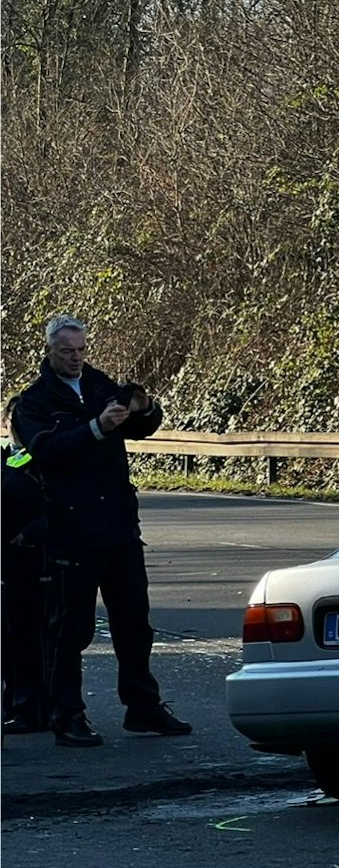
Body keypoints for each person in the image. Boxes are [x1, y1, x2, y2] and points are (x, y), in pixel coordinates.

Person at [10, 314, 192, 746]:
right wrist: (96, 428)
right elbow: (46, 451)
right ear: (50, 351)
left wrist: (145, 408)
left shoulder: (98, 384)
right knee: (69, 629)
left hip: (118, 525)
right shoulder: (34, 402)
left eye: (80, 350)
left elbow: (140, 428)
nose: (75, 358)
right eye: (66, 352)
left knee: (134, 623)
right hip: (71, 528)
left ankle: (143, 706)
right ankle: (67, 715)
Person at [2, 397, 51, 734]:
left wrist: (31, 534)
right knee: (10, 638)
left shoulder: (45, 460)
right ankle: (16, 704)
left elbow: (63, 507)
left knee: (34, 637)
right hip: (10, 561)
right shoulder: (6, 458)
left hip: (38, 558)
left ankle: (35, 707)